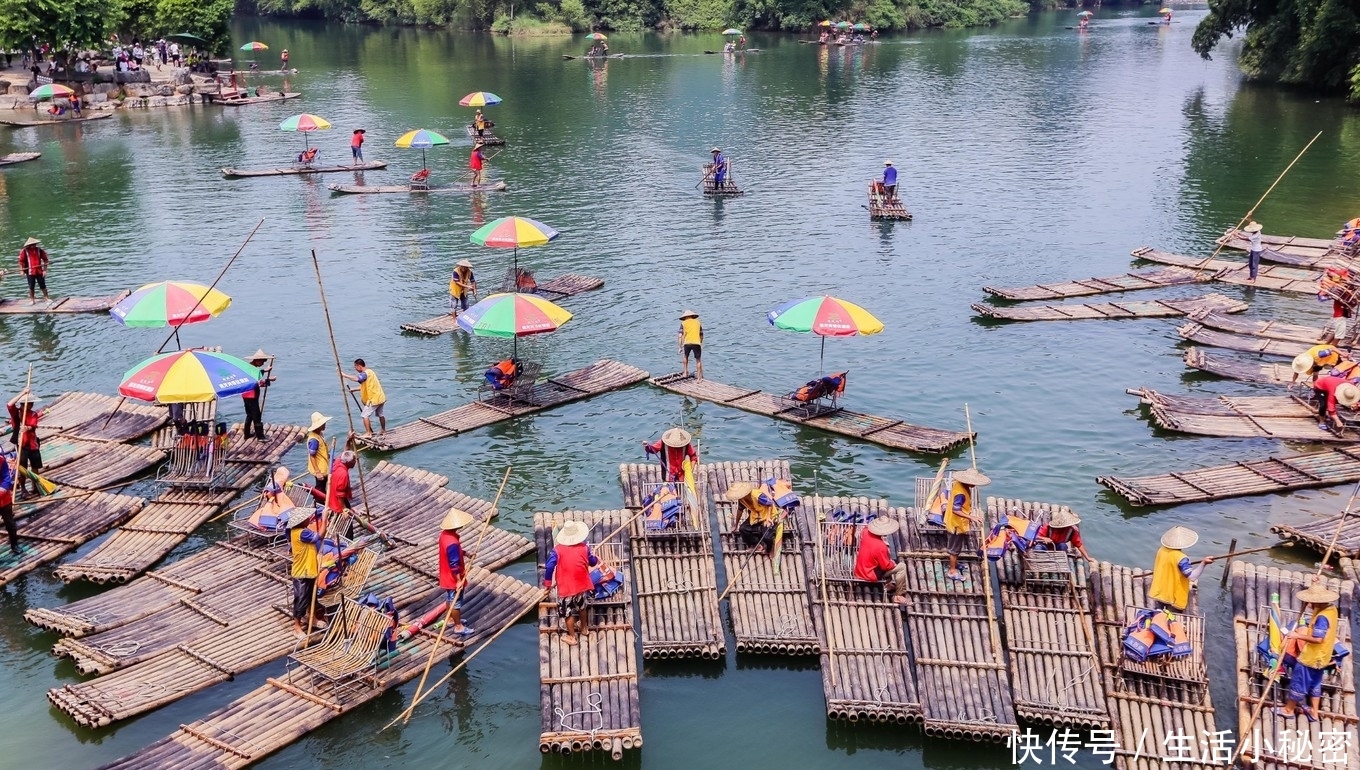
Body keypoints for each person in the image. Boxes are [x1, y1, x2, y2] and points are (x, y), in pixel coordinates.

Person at [1275, 581, 1340, 722]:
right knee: (1315, 683)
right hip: (1323, 657)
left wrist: (1297, 635)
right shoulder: (1331, 609)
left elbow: (1318, 639)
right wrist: (1315, 582)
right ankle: (1314, 712)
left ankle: (1288, 710)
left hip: (1311, 657)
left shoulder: (1322, 617)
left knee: (1299, 682)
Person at [543, 520, 598, 646]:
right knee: (581, 606)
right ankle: (584, 628)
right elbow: (593, 562)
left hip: (566, 587)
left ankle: (572, 637)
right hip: (582, 584)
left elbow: (549, 567)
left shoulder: (557, 551)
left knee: (567, 612)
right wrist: (594, 557)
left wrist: (547, 584)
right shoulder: (584, 547)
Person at [1148, 525, 1212, 612]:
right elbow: (1192, 577)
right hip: (1173, 596)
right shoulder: (1182, 558)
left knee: (1158, 614)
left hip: (1160, 591)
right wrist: (1203, 563)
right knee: (1171, 618)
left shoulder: (1161, 550)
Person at [942, 468, 989, 582]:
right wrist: (971, 517)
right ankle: (952, 571)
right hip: (956, 525)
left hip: (957, 522)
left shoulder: (959, 484)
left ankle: (955, 564)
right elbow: (956, 510)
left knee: (956, 547)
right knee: (954, 549)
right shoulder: (960, 494)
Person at [438, 507, 477, 636]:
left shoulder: (444, 535)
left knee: (450, 598)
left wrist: (465, 553)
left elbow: (453, 553)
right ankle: (458, 626)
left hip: (446, 574)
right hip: (452, 576)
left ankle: (450, 619)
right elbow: (454, 564)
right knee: (456, 601)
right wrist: (459, 581)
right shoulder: (452, 542)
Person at [853, 516, 908, 606]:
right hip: (870, 574)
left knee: (882, 560)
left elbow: (866, 527)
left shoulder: (866, 532)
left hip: (860, 570)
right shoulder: (881, 546)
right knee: (901, 566)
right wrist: (892, 563)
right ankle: (898, 595)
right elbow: (885, 566)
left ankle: (888, 583)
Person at [288, 506, 326, 638]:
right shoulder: (301, 533)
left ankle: (312, 617)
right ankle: (297, 627)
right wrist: (325, 518)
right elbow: (320, 536)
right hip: (302, 572)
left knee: (312, 597)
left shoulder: (301, 531)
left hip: (310, 569)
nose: (308, 520)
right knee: (301, 599)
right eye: (306, 519)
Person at [6, 389, 42, 500]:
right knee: (23, 468)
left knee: (35, 466)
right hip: (21, 443)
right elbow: (9, 404)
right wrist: (23, 392)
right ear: (24, 404)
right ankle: (23, 489)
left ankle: (35, 486)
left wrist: (28, 427)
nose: (32, 405)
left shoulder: (33, 414)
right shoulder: (16, 413)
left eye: (32, 404)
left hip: (33, 444)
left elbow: (34, 425)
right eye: (30, 403)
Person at [728, 480, 780, 555]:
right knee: (743, 529)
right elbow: (740, 510)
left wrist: (768, 518)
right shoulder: (742, 500)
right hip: (756, 516)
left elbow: (770, 504)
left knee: (767, 536)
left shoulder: (757, 495)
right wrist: (736, 525)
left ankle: (770, 549)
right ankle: (756, 544)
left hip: (768, 514)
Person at [343, 359, 387, 435]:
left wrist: (344, 375)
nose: (355, 369)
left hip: (374, 399)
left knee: (364, 415)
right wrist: (354, 389)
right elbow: (367, 386)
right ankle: (383, 430)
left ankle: (368, 433)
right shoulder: (371, 372)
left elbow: (357, 379)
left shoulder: (365, 374)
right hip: (380, 397)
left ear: (359, 366)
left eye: (355, 367)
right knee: (380, 414)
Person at [241, 349, 273, 440]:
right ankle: (260, 436)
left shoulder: (249, 367)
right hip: (251, 396)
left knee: (249, 415)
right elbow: (257, 381)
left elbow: (257, 375)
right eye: (262, 361)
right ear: (257, 360)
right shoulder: (252, 369)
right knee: (256, 416)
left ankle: (246, 434)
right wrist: (268, 380)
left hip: (245, 395)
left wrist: (265, 372)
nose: (263, 364)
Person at [305, 412, 331, 500]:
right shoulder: (313, 440)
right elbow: (312, 456)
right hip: (320, 469)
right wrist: (318, 472)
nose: (325, 425)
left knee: (322, 487)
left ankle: (323, 501)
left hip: (323, 465)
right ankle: (319, 503)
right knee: (320, 488)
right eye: (323, 424)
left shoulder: (319, 434)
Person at [19, 237, 50, 304]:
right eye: (32, 244)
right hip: (30, 271)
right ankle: (32, 300)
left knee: (43, 285)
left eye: (35, 244)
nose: (34, 245)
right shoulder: (24, 251)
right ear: (29, 245)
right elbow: (21, 262)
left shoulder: (39, 250)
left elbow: (45, 260)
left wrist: (44, 270)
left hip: (39, 271)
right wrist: (22, 271)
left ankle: (46, 298)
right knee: (31, 286)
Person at [326, 450, 357, 516]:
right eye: (354, 460)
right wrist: (343, 509)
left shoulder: (338, 462)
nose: (355, 461)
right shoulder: (343, 474)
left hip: (331, 499)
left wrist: (348, 442)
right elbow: (340, 495)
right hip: (338, 505)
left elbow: (345, 452)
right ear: (349, 462)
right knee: (347, 521)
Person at [0, 450, 19, 556]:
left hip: (4, 499)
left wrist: (2, 489)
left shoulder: (1, 460)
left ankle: (14, 545)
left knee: (10, 524)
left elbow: (7, 477)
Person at [678, 309, 703, 379]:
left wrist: (680, 347)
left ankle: (685, 372)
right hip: (696, 343)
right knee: (698, 359)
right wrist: (700, 342)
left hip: (687, 343)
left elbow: (680, 335)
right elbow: (701, 334)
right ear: (692, 316)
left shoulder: (683, 323)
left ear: (685, 317)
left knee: (686, 356)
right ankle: (699, 378)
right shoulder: (698, 322)